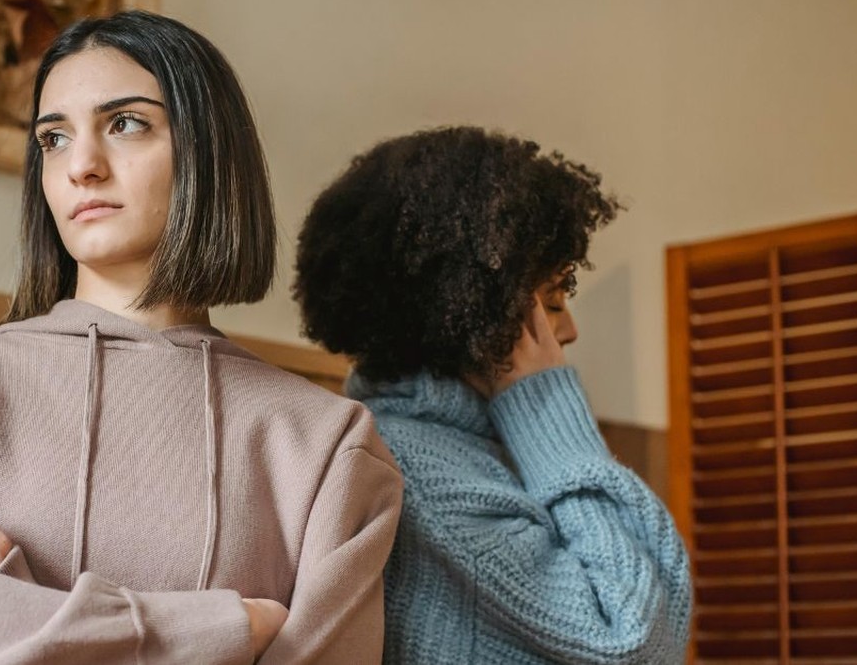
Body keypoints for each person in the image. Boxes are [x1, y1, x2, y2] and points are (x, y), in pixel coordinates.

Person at [0, 11, 402, 664]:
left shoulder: (327, 442)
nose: (82, 166)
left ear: (208, 153)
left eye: (126, 123)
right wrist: (223, 629)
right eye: (52, 138)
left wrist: (11, 597)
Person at [293, 126, 693, 664]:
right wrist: (548, 410)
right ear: (472, 313)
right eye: (552, 301)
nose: (568, 329)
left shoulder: (467, 447)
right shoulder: (412, 468)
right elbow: (633, 642)